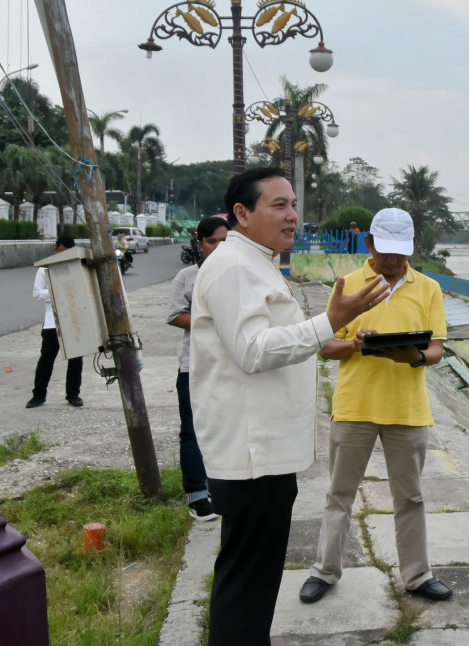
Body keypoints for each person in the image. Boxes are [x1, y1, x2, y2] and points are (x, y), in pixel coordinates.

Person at [191, 167, 389, 646]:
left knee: (252, 581)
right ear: (242, 213)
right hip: (251, 455)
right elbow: (253, 350)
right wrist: (330, 322)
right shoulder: (235, 265)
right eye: (278, 205)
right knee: (246, 582)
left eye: (294, 204)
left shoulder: (257, 261)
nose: (293, 216)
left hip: (263, 452)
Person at [299, 207, 451, 604]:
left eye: (401, 252)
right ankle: (325, 570)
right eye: (385, 251)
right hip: (354, 407)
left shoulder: (429, 288)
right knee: (339, 493)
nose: (393, 261)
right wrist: (355, 344)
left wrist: (413, 357)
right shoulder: (348, 285)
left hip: (408, 409)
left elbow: (436, 347)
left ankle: (417, 574)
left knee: (411, 497)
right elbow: (325, 345)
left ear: (412, 248)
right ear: (368, 243)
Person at [166, 216, 228, 521]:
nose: (218, 247)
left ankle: (221, 486)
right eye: (212, 241)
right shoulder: (187, 277)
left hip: (230, 363)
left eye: (224, 241)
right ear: (200, 244)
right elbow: (175, 315)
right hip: (193, 364)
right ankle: (197, 495)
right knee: (192, 430)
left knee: (224, 427)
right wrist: (212, 320)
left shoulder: (237, 275)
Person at [26, 232, 84, 408]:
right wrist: (57, 290)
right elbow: (37, 293)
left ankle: (73, 394)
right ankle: (38, 395)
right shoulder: (44, 269)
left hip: (73, 319)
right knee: (46, 359)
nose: (61, 255)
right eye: (59, 252)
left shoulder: (77, 267)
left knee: (75, 359)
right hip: (52, 321)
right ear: (55, 250)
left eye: (65, 252)